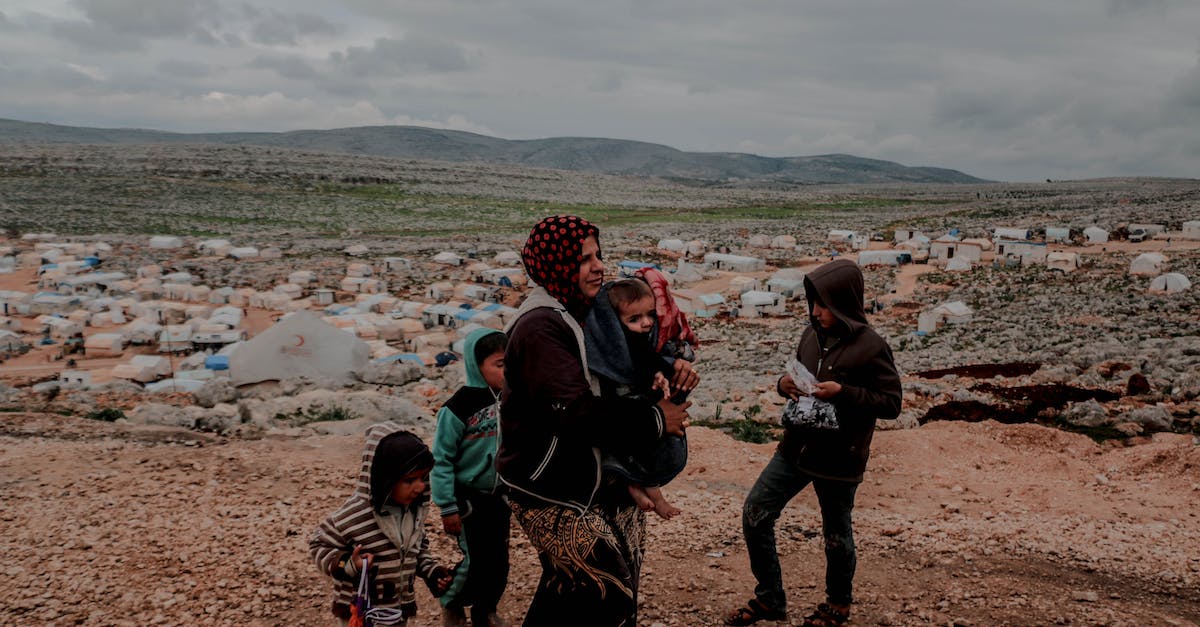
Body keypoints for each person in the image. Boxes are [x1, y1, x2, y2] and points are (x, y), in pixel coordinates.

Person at [497, 215, 697, 626]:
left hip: (598, 475)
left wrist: (670, 368)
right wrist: (656, 420)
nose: (598, 266)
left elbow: (630, 359)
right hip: (551, 487)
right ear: (557, 263)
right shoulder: (540, 327)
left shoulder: (585, 309)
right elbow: (576, 413)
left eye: (598, 255)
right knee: (608, 595)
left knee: (574, 588)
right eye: (584, 258)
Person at [725, 259, 901, 627]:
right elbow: (798, 376)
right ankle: (770, 599)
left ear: (843, 303)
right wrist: (783, 385)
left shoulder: (872, 346)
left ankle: (837, 605)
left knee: (836, 534)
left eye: (823, 304)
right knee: (756, 513)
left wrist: (843, 393)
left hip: (839, 458)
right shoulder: (811, 334)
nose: (816, 312)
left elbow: (891, 403)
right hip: (795, 447)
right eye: (814, 303)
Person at [311, 423, 454, 627]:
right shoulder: (353, 516)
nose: (419, 487)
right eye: (409, 480)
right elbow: (319, 544)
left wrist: (431, 571)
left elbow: (417, 548)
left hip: (397, 609)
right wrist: (348, 564)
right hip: (361, 611)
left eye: (423, 478)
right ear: (384, 479)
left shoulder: (412, 513)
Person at [583, 277, 691, 519]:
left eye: (650, 315)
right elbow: (641, 362)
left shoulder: (638, 338)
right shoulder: (618, 342)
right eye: (634, 319)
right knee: (644, 449)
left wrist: (660, 373)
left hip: (635, 405)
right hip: (627, 410)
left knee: (637, 454)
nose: (646, 323)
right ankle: (656, 498)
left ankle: (636, 488)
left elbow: (648, 362)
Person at [432, 328, 512, 627]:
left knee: (499, 561)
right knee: (474, 561)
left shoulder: (511, 400)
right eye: (500, 364)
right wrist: (447, 506)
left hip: (499, 497)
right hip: (467, 499)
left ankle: (485, 611)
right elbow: (441, 459)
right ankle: (451, 602)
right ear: (476, 366)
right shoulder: (458, 408)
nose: (507, 371)